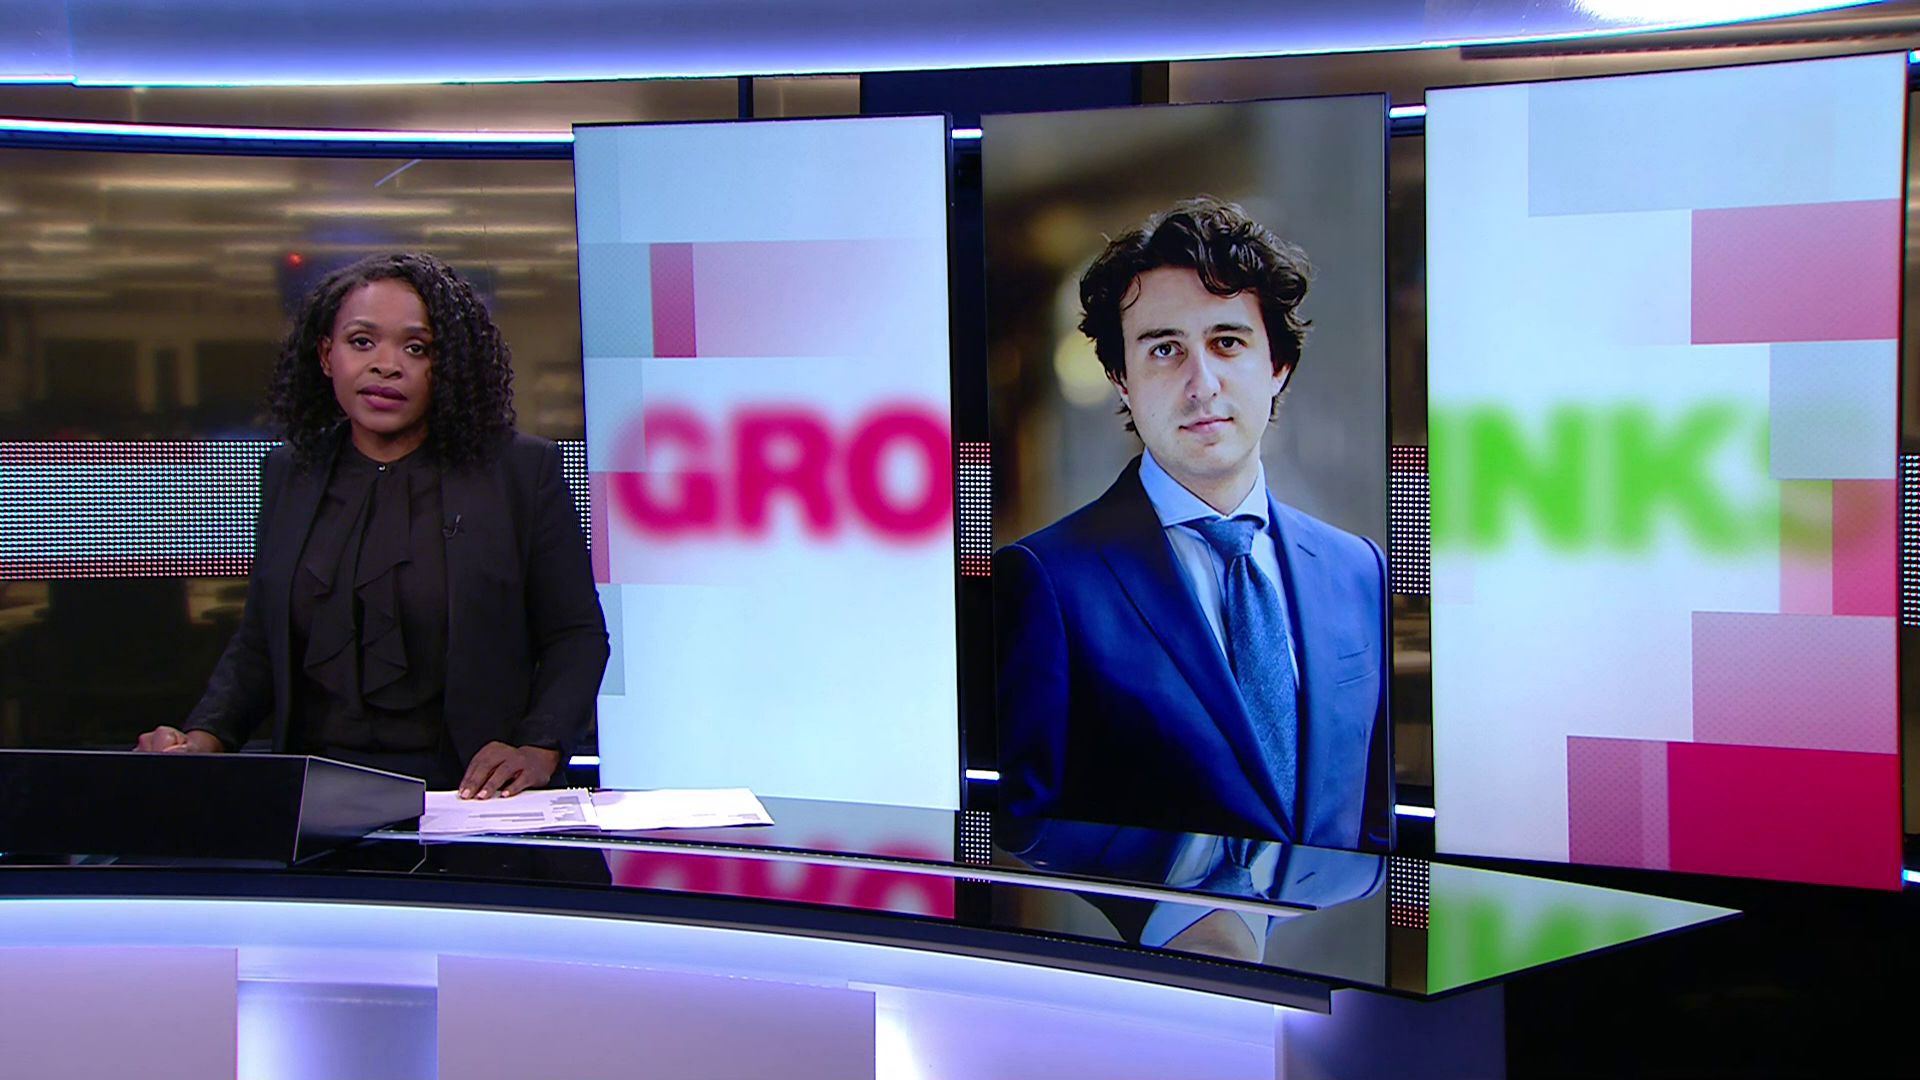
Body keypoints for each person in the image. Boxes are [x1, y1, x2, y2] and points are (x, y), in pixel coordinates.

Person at [995, 197, 1391, 850]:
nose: (1201, 383)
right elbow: (1024, 835)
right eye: (1164, 349)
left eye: (1227, 343)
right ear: (1122, 379)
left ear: (1278, 366)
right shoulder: (1048, 582)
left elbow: (1374, 811)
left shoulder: (1358, 570)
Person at [135, 253, 608, 800]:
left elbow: (575, 635)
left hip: (468, 795)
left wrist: (537, 747)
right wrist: (203, 738)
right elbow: (261, 642)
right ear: (326, 355)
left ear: (447, 365)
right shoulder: (291, 472)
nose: (387, 366)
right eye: (362, 342)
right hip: (315, 792)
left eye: (417, 348)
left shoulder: (519, 471)